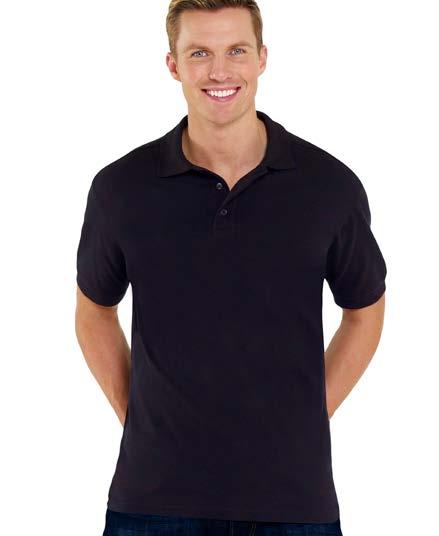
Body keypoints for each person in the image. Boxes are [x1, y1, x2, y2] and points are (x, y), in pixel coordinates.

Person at [75, 1, 387, 535]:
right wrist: (137, 416)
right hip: (152, 502)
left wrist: (308, 417)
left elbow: (365, 310)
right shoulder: (120, 188)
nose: (219, 71)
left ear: (262, 58)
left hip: (293, 503)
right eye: (199, 53)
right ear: (173, 64)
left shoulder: (328, 187)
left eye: (236, 51)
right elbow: (94, 311)